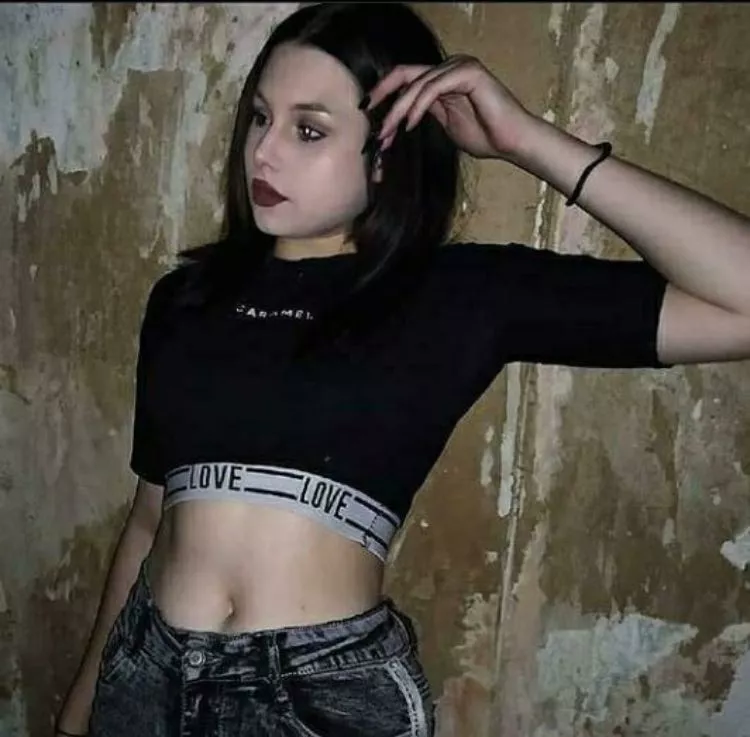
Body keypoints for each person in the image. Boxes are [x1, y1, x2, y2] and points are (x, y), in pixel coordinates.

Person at [55, 3, 750, 736]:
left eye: (309, 130)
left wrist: (525, 140)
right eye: (260, 118)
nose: (263, 152)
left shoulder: (457, 295)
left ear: (386, 154)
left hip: (317, 699)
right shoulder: (186, 300)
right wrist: (80, 707)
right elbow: (150, 516)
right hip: (147, 676)